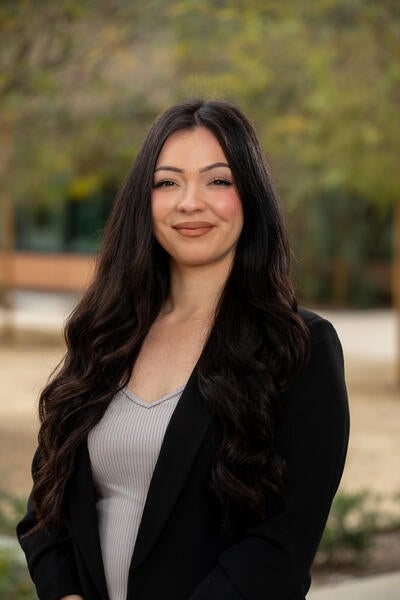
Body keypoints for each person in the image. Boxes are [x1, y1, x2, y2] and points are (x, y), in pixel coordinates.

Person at [17, 99, 349, 600]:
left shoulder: (299, 347)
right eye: (167, 182)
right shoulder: (105, 335)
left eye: (218, 181)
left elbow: (282, 543)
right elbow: (45, 506)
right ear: (143, 201)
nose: (190, 202)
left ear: (250, 196)